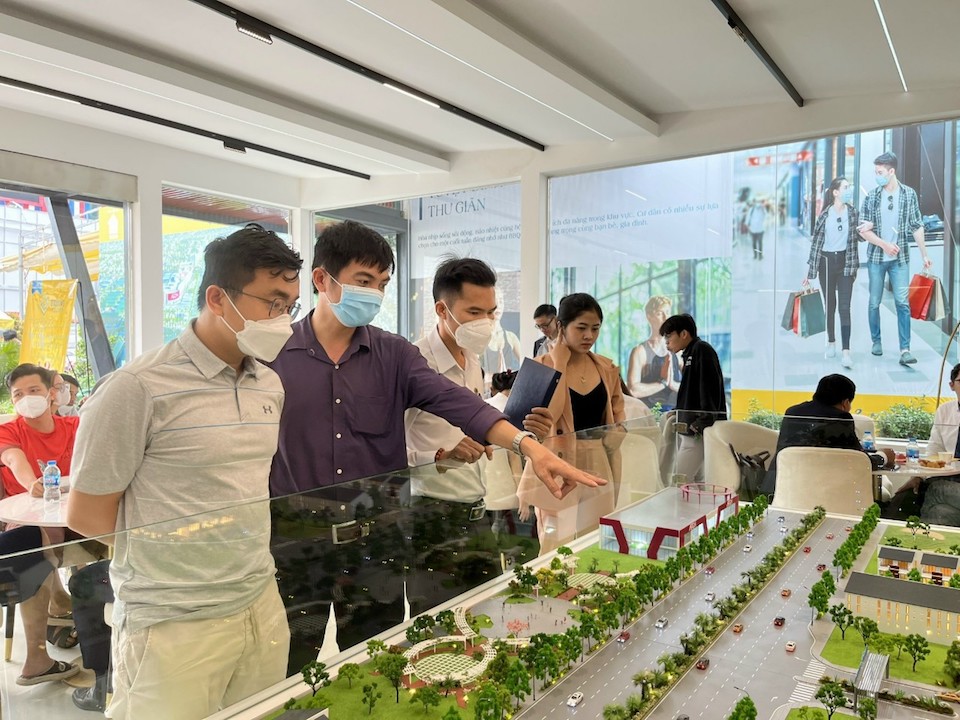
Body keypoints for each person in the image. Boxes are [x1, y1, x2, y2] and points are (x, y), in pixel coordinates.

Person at [66, 224, 303, 720]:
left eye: (291, 307)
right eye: (273, 303)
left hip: (259, 598)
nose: (284, 320)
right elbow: (87, 516)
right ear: (218, 298)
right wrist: (175, 555)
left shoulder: (270, 384)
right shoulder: (137, 387)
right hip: (172, 621)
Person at [268, 221, 606, 501]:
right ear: (322, 280)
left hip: (377, 528)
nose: (375, 294)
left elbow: (461, 404)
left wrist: (529, 447)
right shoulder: (274, 354)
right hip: (296, 531)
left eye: (382, 284)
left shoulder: (395, 355)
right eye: (364, 282)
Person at [404, 257, 551, 504]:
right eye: (474, 312)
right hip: (429, 506)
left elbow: (477, 428)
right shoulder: (413, 363)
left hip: (477, 501)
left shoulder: (472, 359)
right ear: (442, 310)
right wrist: (440, 457)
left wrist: (527, 431)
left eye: (491, 312)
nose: (486, 322)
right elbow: (385, 449)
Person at [517, 293, 626, 552]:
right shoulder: (539, 367)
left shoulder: (607, 368)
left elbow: (618, 417)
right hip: (556, 461)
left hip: (598, 460)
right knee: (555, 545)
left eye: (595, 328)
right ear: (561, 326)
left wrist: (616, 434)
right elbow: (548, 417)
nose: (589, 335)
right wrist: (559, 363)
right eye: (581, 328)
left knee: (594, 542)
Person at [0, 363, 80, 684]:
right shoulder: (10, 430)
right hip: (23, 524)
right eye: (18, 394)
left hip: (76, 517)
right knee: (35, 542)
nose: (26, 399)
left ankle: (84, 618)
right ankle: (37, 656)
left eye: (33, 390)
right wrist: (32, 482)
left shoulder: (74, 426)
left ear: (51, 394)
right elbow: (12, 459)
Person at [858, 151, 932, 366]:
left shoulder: (908, 194)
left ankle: (905, 349)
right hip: (876, 259)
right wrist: (885, 245)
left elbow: (917, 226)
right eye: (875, 172)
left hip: (900, 260)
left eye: (880, 172)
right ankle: (876, 341)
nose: (877, 176)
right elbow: (863, 230)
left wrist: (925, 255)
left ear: (892, 171)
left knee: (902, 303)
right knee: (874, 302)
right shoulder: (872, 196)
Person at [759, 374, 881, 496]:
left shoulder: (793, 412)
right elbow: (860, 461)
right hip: (820, 494)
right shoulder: (840, 418)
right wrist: (883, 457)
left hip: (780, 489)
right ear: (845, 402)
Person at [660, 313, 726, 482]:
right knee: (694, 481)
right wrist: (678, 411)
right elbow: (691, 391)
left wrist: (701, 422)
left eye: (669, 336)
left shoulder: (701, 350)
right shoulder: (691, 353)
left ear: (684, 334)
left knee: (680, 479)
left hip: (697, 430)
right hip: (692, 427)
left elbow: (708, 387)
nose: (666, 342)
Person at [804, 177, 861, 369]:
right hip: (826, 263)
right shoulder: (824, 216)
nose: (849, 190)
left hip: (846, 263)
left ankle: (846, 351)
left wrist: (867, 228)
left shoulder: (853, 213)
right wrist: (810, 273)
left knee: (845, 307)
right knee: (830, 305)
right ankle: (831, 342)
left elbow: (859, 236)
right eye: (845, 187)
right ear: (835, 192)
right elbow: (816, 245)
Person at [906, 363, 960, 526]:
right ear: (952, 385)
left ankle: (918, 533)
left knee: (934, 489)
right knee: (940, 512)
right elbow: (935, 448)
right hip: (952, 479)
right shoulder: (945, 411)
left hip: (947, 486)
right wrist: (919, 475)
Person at [626, 295, 680, 408]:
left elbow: (693, 388)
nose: (666, 318)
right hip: (649, 413)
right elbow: (633, 390)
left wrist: (672, 384)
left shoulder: (679, 350)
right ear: (649, 316)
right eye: (660, 313)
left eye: (668, 312)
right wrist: (663, 383)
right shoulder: (639, 352)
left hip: (676, 413)